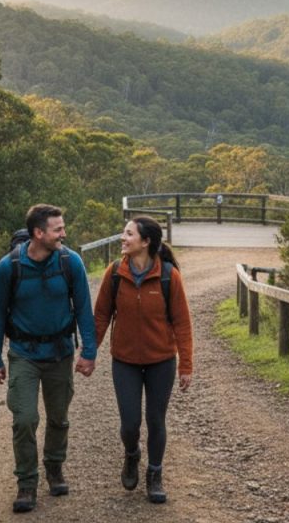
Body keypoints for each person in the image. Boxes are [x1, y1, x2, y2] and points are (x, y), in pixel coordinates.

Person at [0, 204, 97, 513]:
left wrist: (89, 352)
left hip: (60, 353)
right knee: (24, 419)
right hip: (24, 354)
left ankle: (54, 467)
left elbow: (84, 309)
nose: (64, 233)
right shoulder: (9, 267)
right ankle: (26, 483)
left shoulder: (70, 262)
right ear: (38, 233)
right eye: (57, 229)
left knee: (59, 417)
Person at [93, 215, 193, 504]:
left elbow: (182, 323)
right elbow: (101, 315)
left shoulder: (168, 276)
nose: (123, 238)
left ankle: (155, 474)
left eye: (129, 234)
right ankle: (132, 454)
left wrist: (186, 365)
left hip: (161, 360)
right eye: (124, 233)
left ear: (146, 241)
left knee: (155, 420)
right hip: (125, 361)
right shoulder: (115, 272)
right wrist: (89, 352)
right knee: (130, 423)